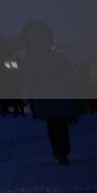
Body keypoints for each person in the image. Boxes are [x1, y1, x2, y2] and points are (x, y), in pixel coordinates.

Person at [20, 19, 79, 164]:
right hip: (59, 92)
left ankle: (58, 150)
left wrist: (25, 96)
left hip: (43, 94)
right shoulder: (58, 56)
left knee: (52, 125)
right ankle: (64, 150)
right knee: (61, 123)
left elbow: (29, 79)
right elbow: (67, 75)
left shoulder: (30, 59)